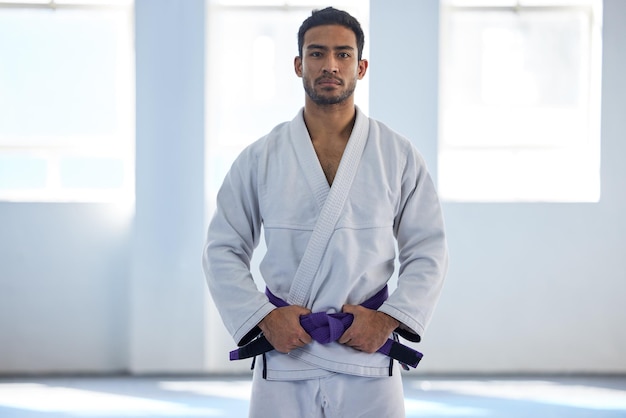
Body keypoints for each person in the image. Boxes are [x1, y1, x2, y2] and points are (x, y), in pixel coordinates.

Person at [203, 6, 448, 418]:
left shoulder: (398, 154)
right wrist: (264, 319)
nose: (330, 65)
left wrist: (387, 320)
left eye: (343, 54)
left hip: (367, 353)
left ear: (361, 66)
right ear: (298, 65)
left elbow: (429, 249)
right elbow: (222, 249)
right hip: (285, 353)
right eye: (316, 54)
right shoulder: (261, 157)